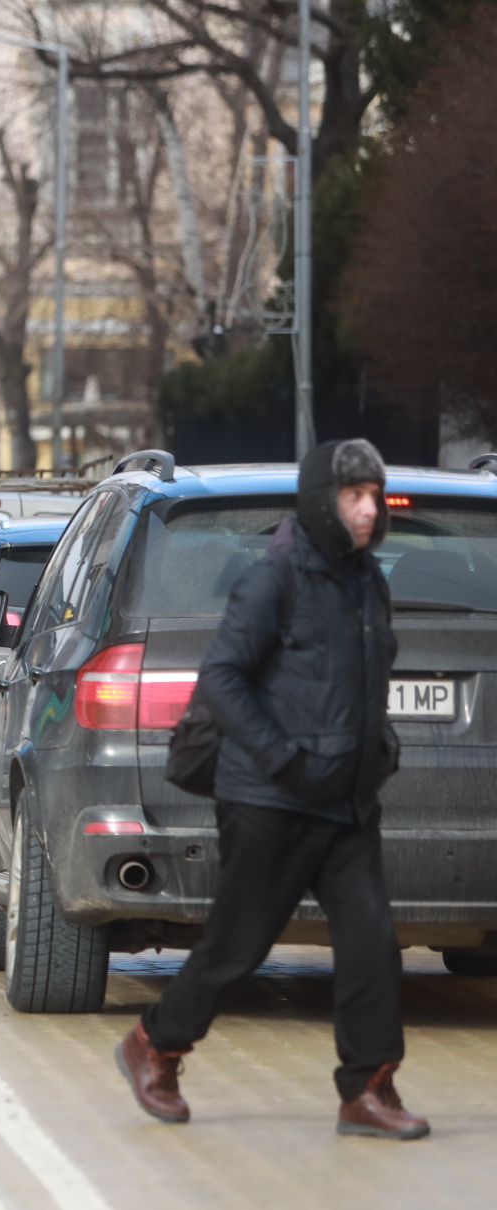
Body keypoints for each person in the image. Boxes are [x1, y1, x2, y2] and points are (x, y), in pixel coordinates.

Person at [117, 439, 425, 1139]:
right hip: (272, 800)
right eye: (354, 497)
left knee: (373, 943)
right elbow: (221, 679)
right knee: (238, 947)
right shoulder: (275, 578)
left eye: (374, 497)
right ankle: (155, 1045)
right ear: (322, 501)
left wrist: (381, 747)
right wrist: (283, 760)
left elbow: (367, 681)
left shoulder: (367, 582)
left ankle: (368, 1089)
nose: (368, 510)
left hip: (347, 805)